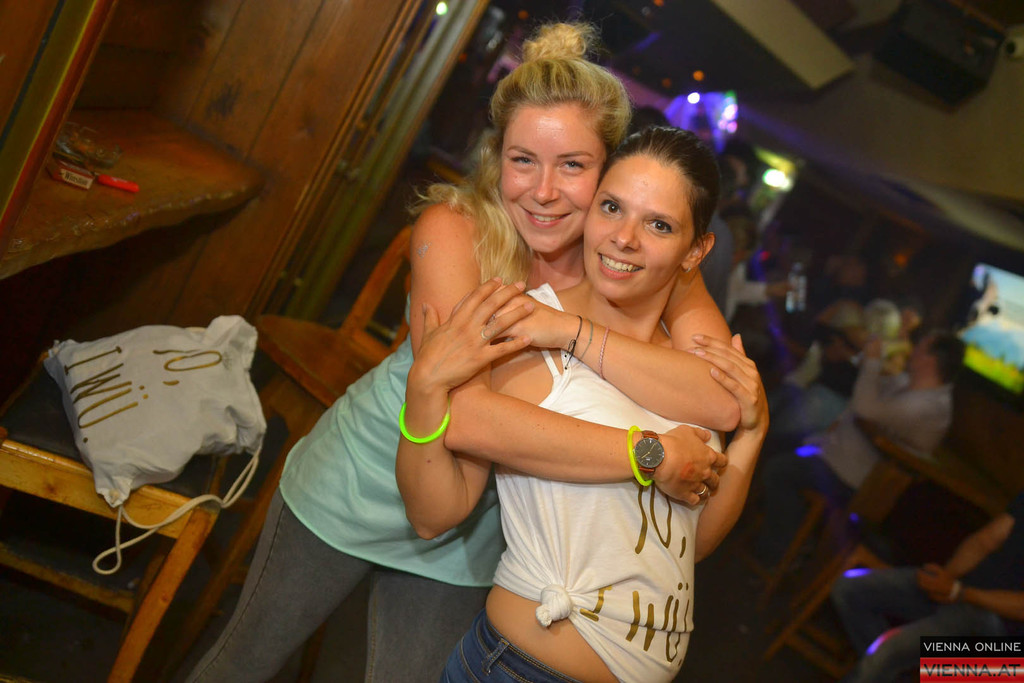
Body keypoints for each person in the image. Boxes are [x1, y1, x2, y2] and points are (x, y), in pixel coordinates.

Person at [185, 23, 737, 683]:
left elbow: (721, 395)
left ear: (609, 170)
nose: (543, 191)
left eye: (573, 166)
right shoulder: (456, 230)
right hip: (367, 477)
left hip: (481, 524)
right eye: (523, 160)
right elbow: (465, 414)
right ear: (496, 156)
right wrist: (650, 453)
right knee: (244, 662)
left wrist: (574, 333)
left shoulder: (628, 251)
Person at [398, 127, 769, 682]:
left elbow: (688, 547)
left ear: (695, 251)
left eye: (659, 225)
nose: (624, 238)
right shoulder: (522, 327)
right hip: (521, 669)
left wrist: (753, 435)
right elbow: (433, 513)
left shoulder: (693, 372)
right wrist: (424, 391)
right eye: (612, 207)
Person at [756, 329, 965, 567]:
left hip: (856, 481)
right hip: (834, 456)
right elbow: (867, 391)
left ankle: (779, 556)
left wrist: (874, 362)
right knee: (775, 441)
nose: (913, 349)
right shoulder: (909, 383)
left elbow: (865, 409)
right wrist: (860, 360)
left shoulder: (930, 408)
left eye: (920, 346)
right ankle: (781, 537)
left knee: (779, 469)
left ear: (930, 360)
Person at [830, 492, 1024, 683]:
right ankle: (888, 673)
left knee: (888, 651)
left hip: (1002, 640)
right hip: (963, 594)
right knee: (849, 590)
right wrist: (946, 578)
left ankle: (883, 666)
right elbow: (986, 540)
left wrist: (959, 592)